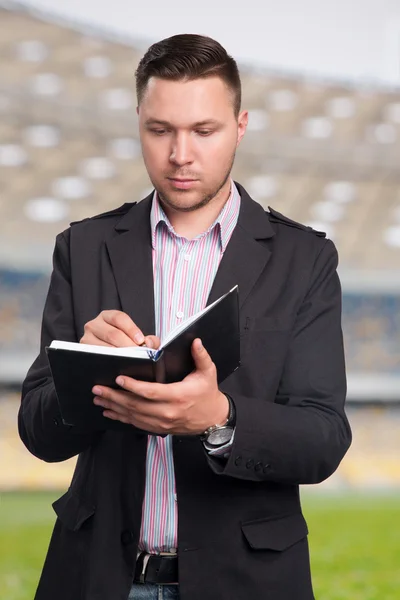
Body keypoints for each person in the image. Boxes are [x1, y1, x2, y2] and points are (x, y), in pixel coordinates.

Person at [19, 34, 352, 600]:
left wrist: (219, 418)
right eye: (160, 130)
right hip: (97, 576)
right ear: (139, 123)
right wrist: (89, 374)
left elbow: (323, 437)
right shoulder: (83, 246)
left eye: (204, 131)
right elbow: (37, 429)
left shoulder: (306, 258)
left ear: (240, 126)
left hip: (246, 583)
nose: (180, 155)